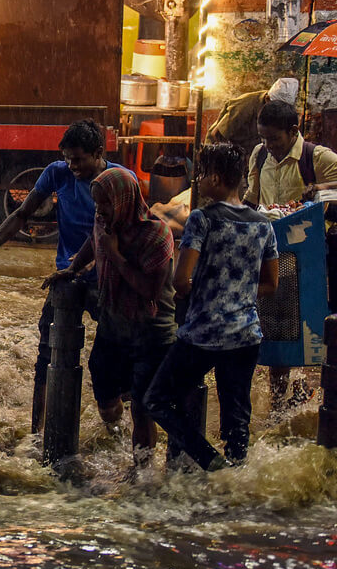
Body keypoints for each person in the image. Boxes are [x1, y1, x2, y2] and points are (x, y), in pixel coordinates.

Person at [0, 119, 124, 433]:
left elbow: (126, 232)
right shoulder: (57, 172)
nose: (72, 165)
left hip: (108, 282)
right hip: (65, 280)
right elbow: (22, 214)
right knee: (45, 359)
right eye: (68, 158)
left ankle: (115, 426)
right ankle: (37, 434)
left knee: (112, 364)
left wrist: (94, 263)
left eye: (79, 159)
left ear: (99, 153)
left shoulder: (116, 180)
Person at [144, 143, 279, 471]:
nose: (199, 179)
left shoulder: (202, 220)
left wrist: (204, 296)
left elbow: (181, 280)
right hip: (246, 336)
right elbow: (271, 284)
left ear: (216, 178)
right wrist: (237, 295)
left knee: (156, 400)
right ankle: (235, 484)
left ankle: (209, 461)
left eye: (202, 173)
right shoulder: (264, 224)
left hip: (204, 333)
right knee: (237, 422)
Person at [44, 168, 176, 466]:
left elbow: (149, 291)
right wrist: (73, 268)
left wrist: (115, 255)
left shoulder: (157, 235)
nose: (99, 210)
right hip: (113, 324)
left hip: (150, 330)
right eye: (97, 204)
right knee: (104, 390)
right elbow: (93, 242)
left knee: (142, 408)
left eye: (106, 203)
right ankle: (117, 437)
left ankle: (141, 471)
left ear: (125, 200)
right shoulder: (105, 222)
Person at [244, 98, 337, 407]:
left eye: (273, 138)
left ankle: (317, 396)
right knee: (277, 330)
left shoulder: (318, 158)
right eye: (262, 137)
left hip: (311, 258)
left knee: (314, 329)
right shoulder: (259, 156)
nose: (267, 144)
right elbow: (252, 199)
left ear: (293, 131)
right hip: (275, 256)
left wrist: (319, 188)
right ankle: (278, 400)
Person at [206, 77, 299, 159]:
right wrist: (235, 159)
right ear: (267, 99)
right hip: (220, 150)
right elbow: (217, 135)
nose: (278, 112)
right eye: (276, 107)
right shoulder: (245, 106)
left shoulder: (280, 113)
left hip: (246, 152)